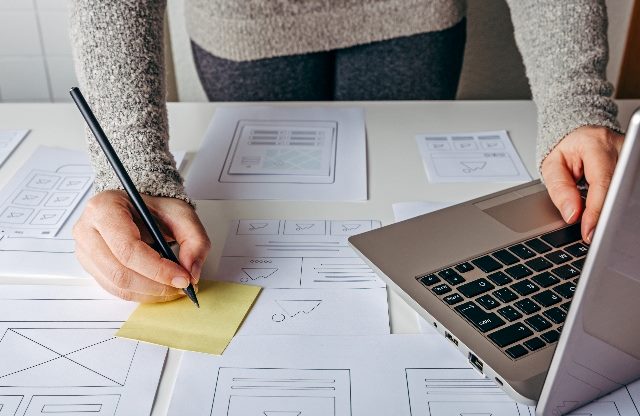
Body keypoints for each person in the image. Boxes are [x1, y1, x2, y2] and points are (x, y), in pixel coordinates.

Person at [69, 0, 624, 303]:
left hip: (412, 18)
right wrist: (133, 164)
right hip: (245, 25)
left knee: (400, 196)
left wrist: (577, 102)